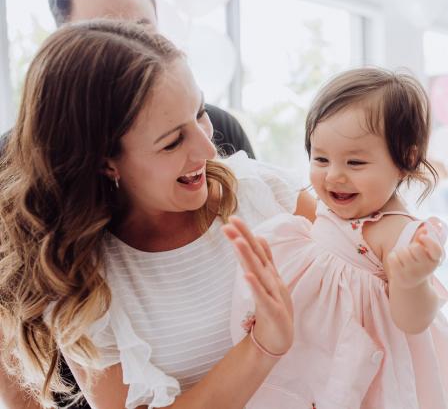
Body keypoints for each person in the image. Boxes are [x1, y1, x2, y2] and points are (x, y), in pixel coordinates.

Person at [0, 20, 315, 408]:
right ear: (105, 162)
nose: (207, 149)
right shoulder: (83, 280)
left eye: (199, 113)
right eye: (171, 142)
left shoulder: (262, 192)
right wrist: (262, 347)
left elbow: (374, 252)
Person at [230, 68, 448, 408]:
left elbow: (414, 321)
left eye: (355, 162)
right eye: (320, 158)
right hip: (314, 356)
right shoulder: (324, 210)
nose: (334, 175)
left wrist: (411, 281)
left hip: (367, 375)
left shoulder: (400, 234)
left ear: (405, 159)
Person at [0, 0, 255, 159]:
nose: (132, 51)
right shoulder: (13, 157)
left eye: (142, 32)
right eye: (104, 39)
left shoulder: (218, 129)